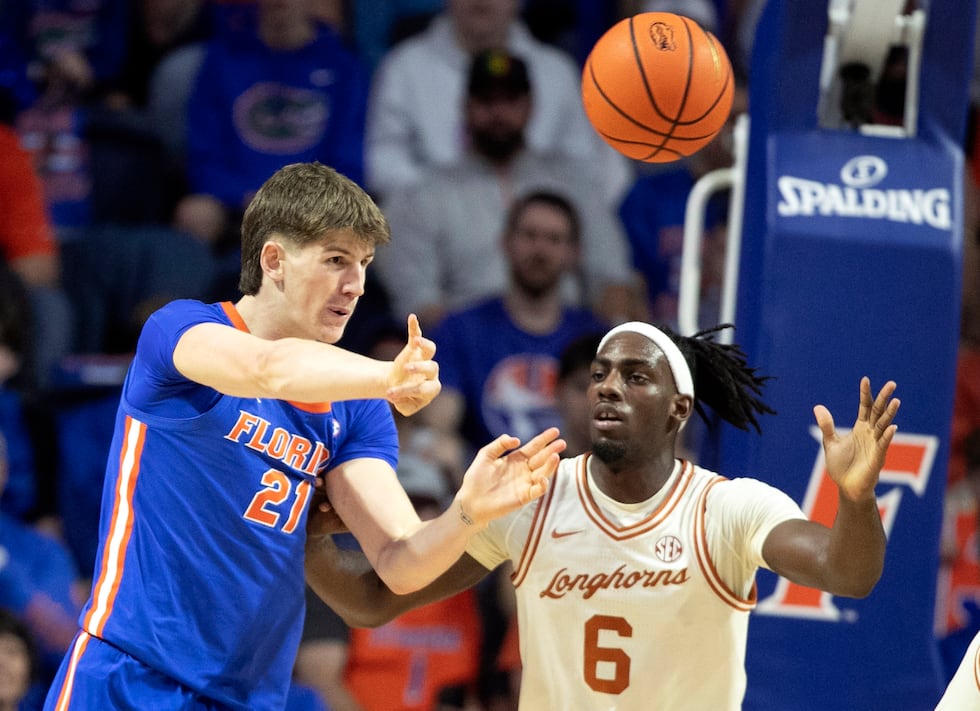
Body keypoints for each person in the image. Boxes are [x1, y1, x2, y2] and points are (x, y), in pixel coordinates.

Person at [41, 161, 565, 711]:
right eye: (337, 260)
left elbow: (399, 562)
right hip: (130, 675)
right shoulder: (181, 332)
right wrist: (388, 377)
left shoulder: (356, 407)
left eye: (364, 264)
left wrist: (468, 512)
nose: (357, 285)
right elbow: (270, 368)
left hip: (249, 696)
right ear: (274, 261)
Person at [306, 320, 899, 710]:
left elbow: (849, 574)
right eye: (599, 375)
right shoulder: (528, 497)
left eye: (635, 377)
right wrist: (304, 532)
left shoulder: (728, 507)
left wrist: (853, 497)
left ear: (678, 409)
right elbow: (373, 602)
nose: (608, 388)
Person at [375, 49, 641, 329]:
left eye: (510, 100)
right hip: (468, 352)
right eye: (486, 101)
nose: (498, 113)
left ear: (530, 106)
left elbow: (613, 283)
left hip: (567, 347)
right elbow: (418, 304)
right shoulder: (423, 195)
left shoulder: (574, 184)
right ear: (465, 106)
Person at [364, 0, 631, 206]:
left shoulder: (557, 71)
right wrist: (456, 202)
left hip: (539, 233)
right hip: (437, 226)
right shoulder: (403, 67)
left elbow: (589, 168)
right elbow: (382, 164)